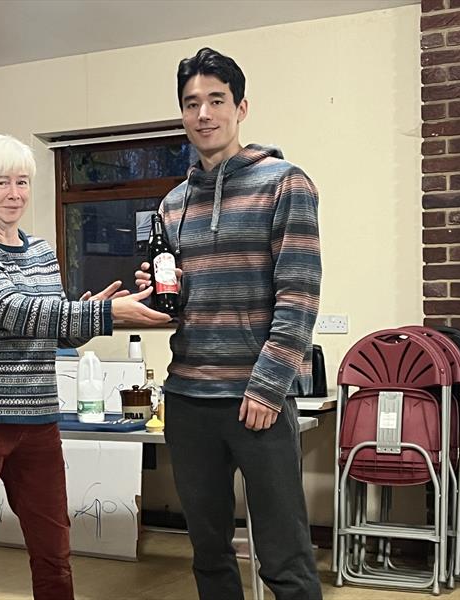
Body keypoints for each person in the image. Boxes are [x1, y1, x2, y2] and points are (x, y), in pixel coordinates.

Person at [0, 134, 171, 600]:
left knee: (54, 548)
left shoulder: (41, 252)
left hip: (37, 421)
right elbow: (17, 311)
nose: (15, 193)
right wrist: (107, 316)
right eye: (2, 182)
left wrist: (89, 315)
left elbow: (56, 328)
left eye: (22, 182)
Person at [136, 48, 322, 599]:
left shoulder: (286, 184)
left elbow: (299, 296)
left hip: (255, 401)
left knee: (284, 556)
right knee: (209, 555)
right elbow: (185, 304)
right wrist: (157, 292)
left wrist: (268, 388)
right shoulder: (172, 204)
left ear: (241, 107)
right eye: (191, 103)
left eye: (216, 100)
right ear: (182, 116)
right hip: (188, 400)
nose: (204, 114)